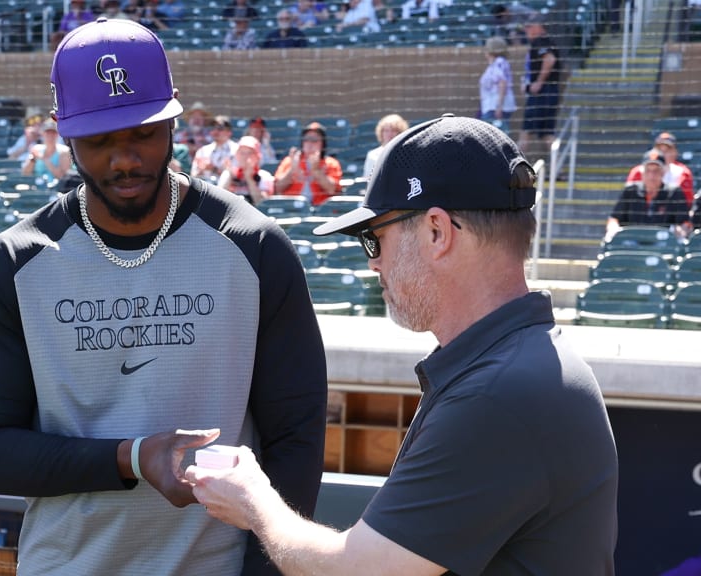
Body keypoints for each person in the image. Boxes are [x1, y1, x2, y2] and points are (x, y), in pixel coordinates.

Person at [0, 18, 327, 576]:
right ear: (64, 133)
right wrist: (128, 458)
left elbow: (295, 441)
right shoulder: (14, 262)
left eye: (143, 133)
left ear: (173, 124)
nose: (124, 159)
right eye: (100, 140)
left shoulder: (254, 248)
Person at [187, 114, 619, 575]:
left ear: (437, 231)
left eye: (374, 239)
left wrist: (254, 501)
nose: (373, 264)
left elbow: (357, 572)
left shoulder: (498, 393)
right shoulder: (519, 363)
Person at [607, 148, 691, 240]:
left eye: (656, 171)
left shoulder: (674, 193)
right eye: (648, 170)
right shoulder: (630, 191)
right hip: (632, 242)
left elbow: (684, 222)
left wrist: (681, 231)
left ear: (663, 173)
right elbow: (614, 218)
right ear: (642, 173)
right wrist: (613, 229)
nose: (651, 176)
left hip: (662, 244)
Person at [517, 12, 562, 156]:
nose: (526, 30)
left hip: (543, 93)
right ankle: (559, 169)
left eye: (529, 26)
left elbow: (549, 59)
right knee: (546, 134)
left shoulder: (541, 41)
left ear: (540, 27)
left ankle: (513, 171)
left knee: (526, 131)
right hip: (550, 92)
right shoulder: (544, 41)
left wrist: (538, 82)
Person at [273, 121, 342, 206]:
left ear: (322, 144)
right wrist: (292, 170)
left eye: (314, 140)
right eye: (307, 139)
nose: (310, 143)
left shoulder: (331, 163)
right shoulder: (290, 160)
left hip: (320, 209)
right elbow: (278, 188)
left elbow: (332, 190)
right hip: (291, 208)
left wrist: (316, 171)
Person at [626, 131, 695, 209]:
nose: (663, 153)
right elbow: (627, 200)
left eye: (667, 150)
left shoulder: (682, 173)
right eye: (659, 149)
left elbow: (686, 204)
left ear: (675, 152)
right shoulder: (638, 171)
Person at [218, 135, 274, 205]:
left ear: (257, 157)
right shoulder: (229, 173)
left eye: (250, 153)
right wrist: (228, 174)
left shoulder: (264, 176)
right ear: (237, 155)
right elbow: (218, 199)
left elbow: (262, 204)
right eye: (242, 153)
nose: (245, 157)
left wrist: (249, 178)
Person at [479, 36, 517, 132]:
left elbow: (502, 82)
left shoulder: (499, 62)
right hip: (490, 106)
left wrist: (498, 106)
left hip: (495, 107)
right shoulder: (494, 64)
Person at [191, 114, 239, 182]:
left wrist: (214, 169)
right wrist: (201, 170)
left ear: (229, 132)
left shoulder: (237, 150)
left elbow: (238, 178)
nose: (215, 131)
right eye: (213, 128)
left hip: (227, 190)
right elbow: (193, 177)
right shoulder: (202, 151)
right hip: (205, 188)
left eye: (220, 128)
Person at [363, 113, 408, 180]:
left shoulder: (407, 153)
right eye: (386, 131)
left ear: (400, 132)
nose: (389, 134)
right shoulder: (372, 155)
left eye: (393, 130)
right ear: (381, 132)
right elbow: (368, 179)